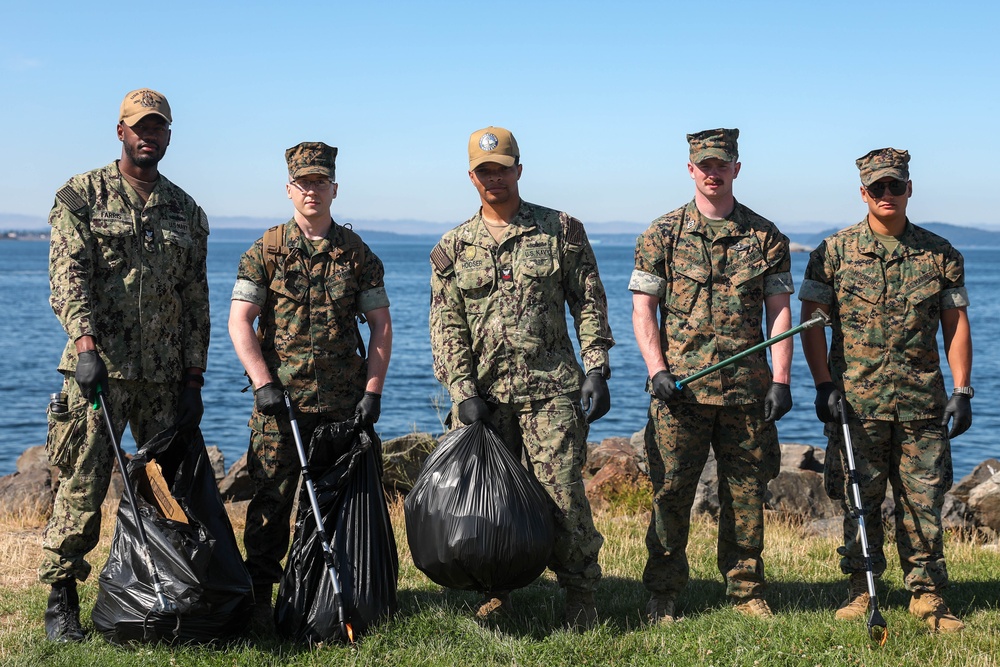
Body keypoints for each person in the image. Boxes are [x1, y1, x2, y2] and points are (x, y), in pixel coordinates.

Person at [428, 126, 614, 630]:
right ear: (472, 177)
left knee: (562, 496)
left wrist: (596, 367)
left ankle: (580, 593)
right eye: (485, 171)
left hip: (551, 391)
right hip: (485, 400)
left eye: (502, 169)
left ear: (519, 170)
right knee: (487, 503)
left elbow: (590, 303)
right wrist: (463, 393)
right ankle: (498, 589)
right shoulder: (453, 249)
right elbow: (446, 327)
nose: (495, 179)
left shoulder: (561, 230)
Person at [41, 88, 210, 642]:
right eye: (139, 127)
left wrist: (193, 379)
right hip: (99, 373)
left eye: (158, 128)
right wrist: (85, 347)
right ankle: (61, 597)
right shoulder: (80, 197)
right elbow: (68, 278)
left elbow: (195, 301)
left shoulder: (186, 211)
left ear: (168, 137)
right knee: (83, 486)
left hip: (163, 378)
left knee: (170, 491)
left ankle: (169, 588)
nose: (148, 136)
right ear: (120, 132)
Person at [799, 148, 972, 633]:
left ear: (910, 189)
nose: (887, 194)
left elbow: (956, 325)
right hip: (856, 404)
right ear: (863, 193)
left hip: (922, 402)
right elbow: (812, 325)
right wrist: (823, 385)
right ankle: (861, 588)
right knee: (858, 497)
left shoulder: (941, 254)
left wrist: (962, 390)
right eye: (878, 188)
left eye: (895, 186)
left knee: (925, 500)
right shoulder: (832, 253)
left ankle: (927, 594)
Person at [630, 128, 794, 623]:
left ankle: (746, 591)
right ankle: (663, 590)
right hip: (679, 392)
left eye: (721, 164)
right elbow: (644, 310)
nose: (712, 172)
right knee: (671, 491)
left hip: (746, 391)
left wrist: (781, 380)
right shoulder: (661, 234)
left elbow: (780, 313)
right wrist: (656, 370)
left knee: (745, 493)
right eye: (703, 164)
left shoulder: (766, 237)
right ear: (690, 169)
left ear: (736, 169)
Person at [229, 141, 392, 632]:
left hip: (342, 404)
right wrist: (263, 384)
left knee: (339, 503)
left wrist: (373, 392)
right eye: (303, 183)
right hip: (283, 404)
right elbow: (241, 322)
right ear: (289, 190)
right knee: (271, 503)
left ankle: (332, 596)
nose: (311, 191)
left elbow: (380, 325)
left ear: (334, 189)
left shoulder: (356, 253)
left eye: (320, 182)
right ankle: (261, 597)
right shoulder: (266, 251)